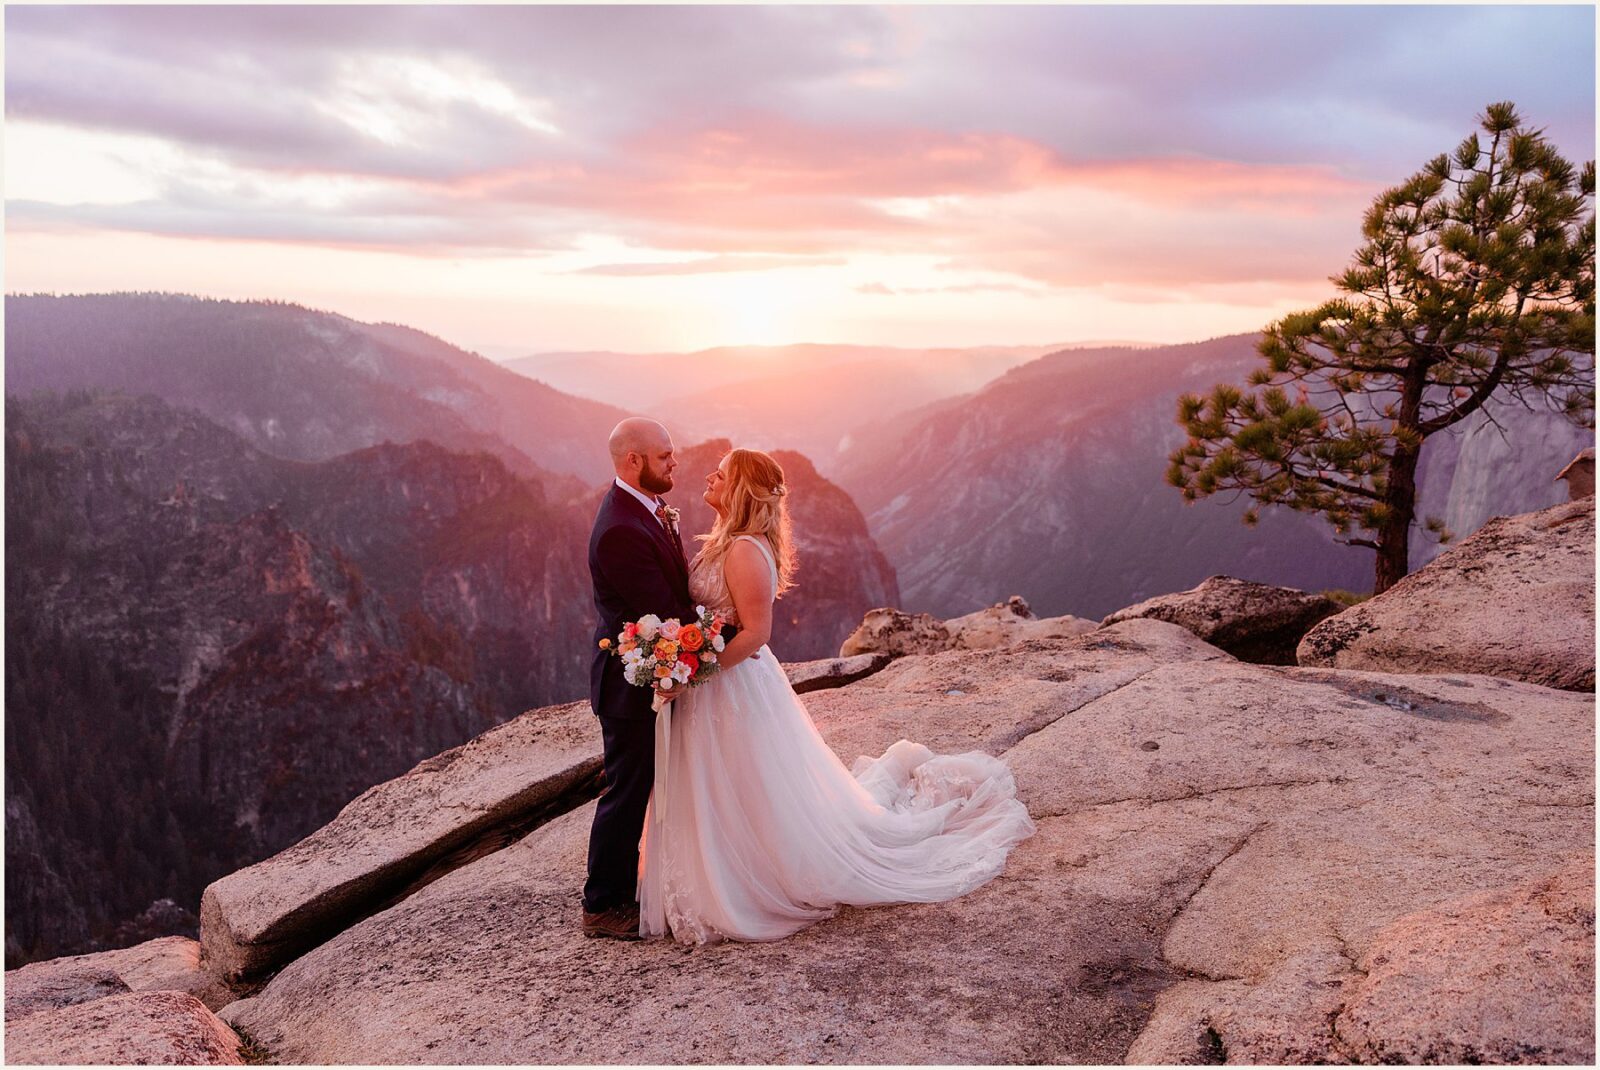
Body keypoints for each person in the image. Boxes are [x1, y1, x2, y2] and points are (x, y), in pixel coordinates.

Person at [637, 447, 1036, 943]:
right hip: (714, 682)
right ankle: (724, 866)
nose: (709, 478)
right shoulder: (726, 540)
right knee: (733, 785)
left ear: (740, 490)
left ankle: (750, 875)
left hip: (731, 684)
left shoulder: (744, 549)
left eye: (720, 475)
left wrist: (696, 669)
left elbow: (756, 632)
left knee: (746, 783)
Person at [581, 417, 697, 939]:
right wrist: (728, 630)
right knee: (627, 790)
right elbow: (664, 611)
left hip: (648, 676)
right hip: (630, 687)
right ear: (634, 461)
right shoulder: (622, 529)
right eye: (665, 455)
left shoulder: (643, 510)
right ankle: (603, 904)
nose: (674, 462)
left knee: (639, 785)